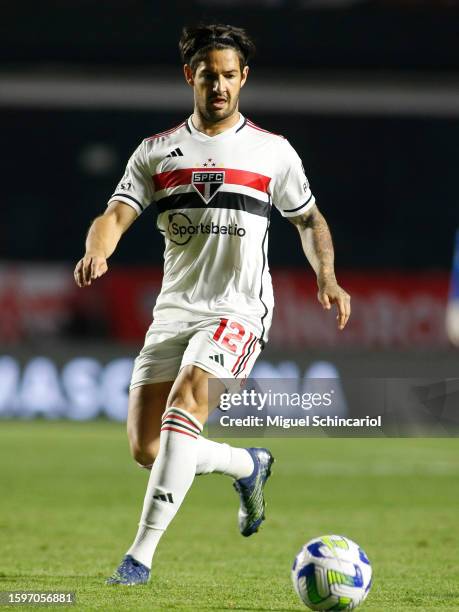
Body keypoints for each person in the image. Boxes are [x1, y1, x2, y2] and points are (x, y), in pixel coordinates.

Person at [74, 23, 351, 586]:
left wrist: (328, 275)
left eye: (229, 75)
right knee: (150, 449)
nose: (219, 86)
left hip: (239, 308)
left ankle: (139, 559)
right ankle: (248, 464)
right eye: (208, 76)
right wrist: (97, 250)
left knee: (186, 406)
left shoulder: (272, 151)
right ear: (190, 77)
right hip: (175, 310)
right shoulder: (156, 152)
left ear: (244, 78)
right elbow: (115, 215)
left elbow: (309, 219)